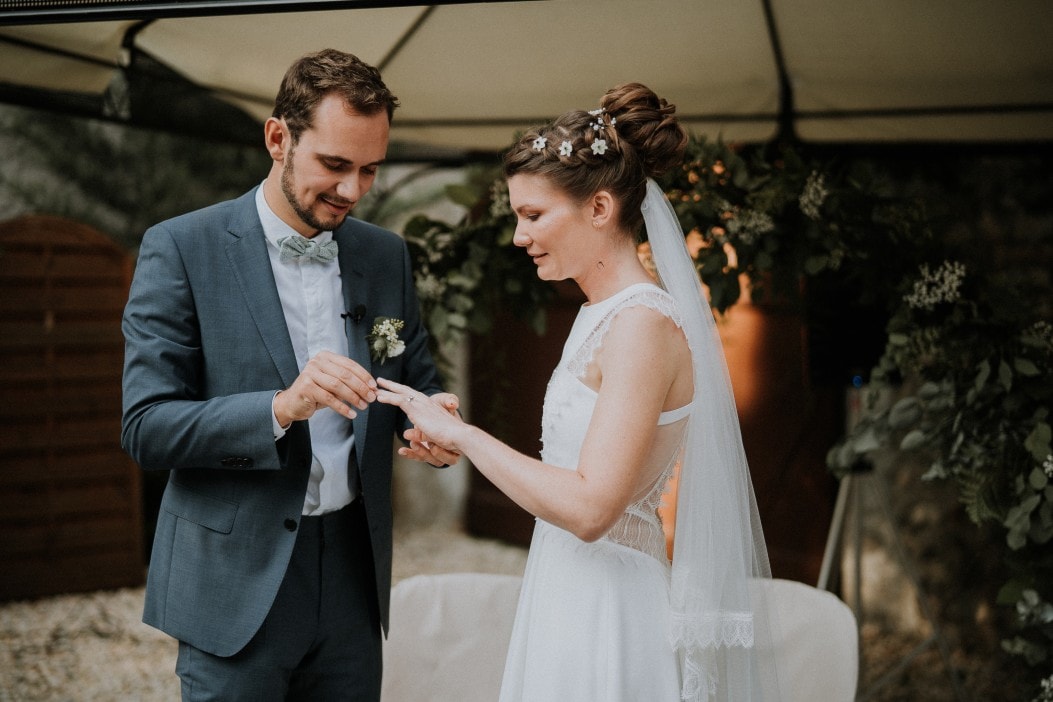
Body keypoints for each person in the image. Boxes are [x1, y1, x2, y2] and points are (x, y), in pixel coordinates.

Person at [379, 83, 776, 700]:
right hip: (564, 585)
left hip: (608, 604)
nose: (518, 236)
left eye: (533, 215)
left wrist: (466, 435)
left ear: (598, 208)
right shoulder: (601, 314)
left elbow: (593, 510)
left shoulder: (642, 326)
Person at [121, 48, 457, 701]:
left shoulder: (383, 256)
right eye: (334, 165)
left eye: (369, 170)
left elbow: (400, 359)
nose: (352, 191)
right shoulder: (181, 249)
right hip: (235, 581)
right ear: (278, 137)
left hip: (353, 579)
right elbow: (146, 427)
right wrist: (282, 406)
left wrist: (434, 414)